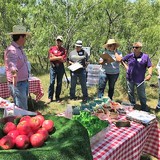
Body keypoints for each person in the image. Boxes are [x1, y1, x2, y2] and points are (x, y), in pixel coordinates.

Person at [4, 25, 30, 110]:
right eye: (25, 37)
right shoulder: (12, 50)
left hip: (23, 82)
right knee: (22, 110)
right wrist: (15, 85)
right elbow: (12, 66)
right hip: (19, 84)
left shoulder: (19, 49)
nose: (26, 39)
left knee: (22, 108)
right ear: (21, 37)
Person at [122, 42, 152, 111]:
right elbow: (122, 60)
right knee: (130, 92)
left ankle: (144, 107)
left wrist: (149, 74)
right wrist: (127, 67)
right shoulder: (130, 56)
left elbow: (149, 66)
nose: (134, 49)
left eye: (136, 47)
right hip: (130, 78)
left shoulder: (145, 56)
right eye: (133, 47)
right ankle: (132, 105)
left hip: (140, 80)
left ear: (140, 48)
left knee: (141, 94)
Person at [46, 35, 67, 103]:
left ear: (62, 42)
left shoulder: (63, 50)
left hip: (60, 68)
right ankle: (50, 97)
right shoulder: (52, 48)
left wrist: (54, 56)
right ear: (56, 41)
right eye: (57, 40)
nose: (58, 42)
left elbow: (63, 60)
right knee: (52, 82)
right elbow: (50, 59)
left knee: (59, 83)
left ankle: (57, 97)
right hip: (53, 67)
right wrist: (59, 57)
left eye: (60, 41)